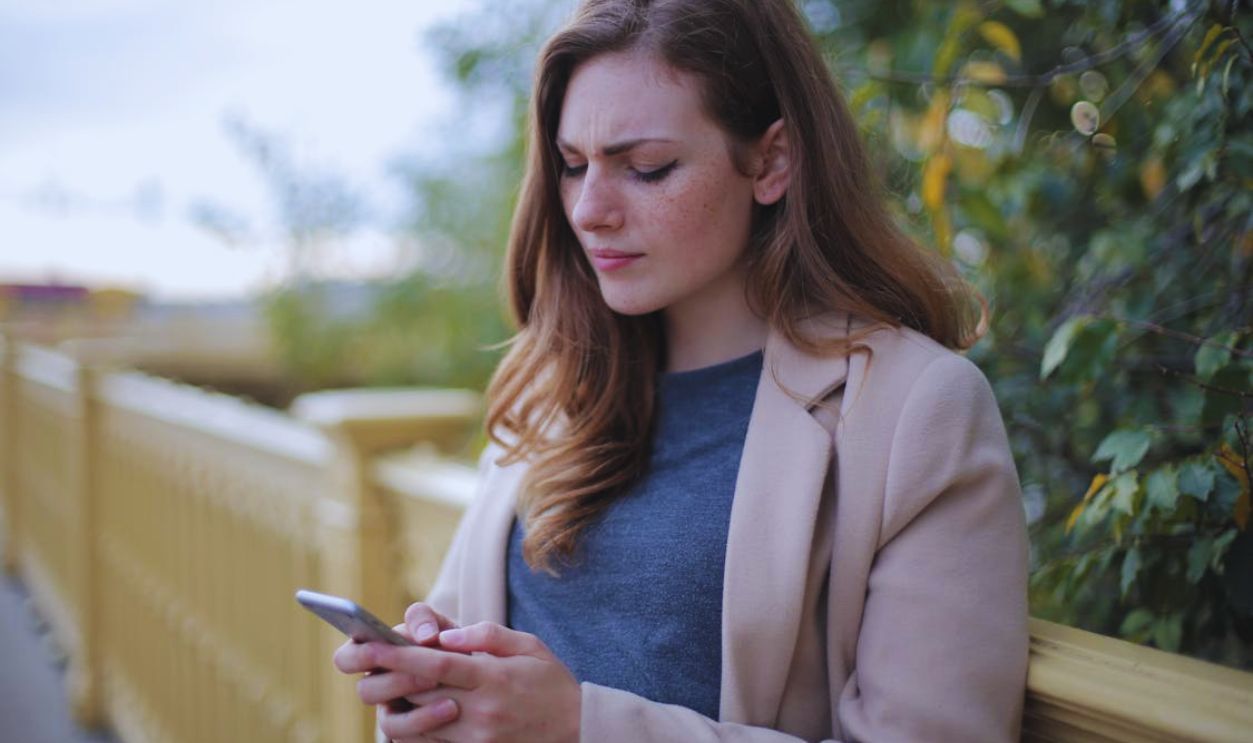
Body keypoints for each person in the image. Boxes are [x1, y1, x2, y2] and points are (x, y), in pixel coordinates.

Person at [333, 0, 1029, 740]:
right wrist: (433, 684)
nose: (589, 210)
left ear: (771, 160)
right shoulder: (554, 386)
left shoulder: (915, 410)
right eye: (572, 166)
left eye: (645, 168)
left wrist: (578, 725)